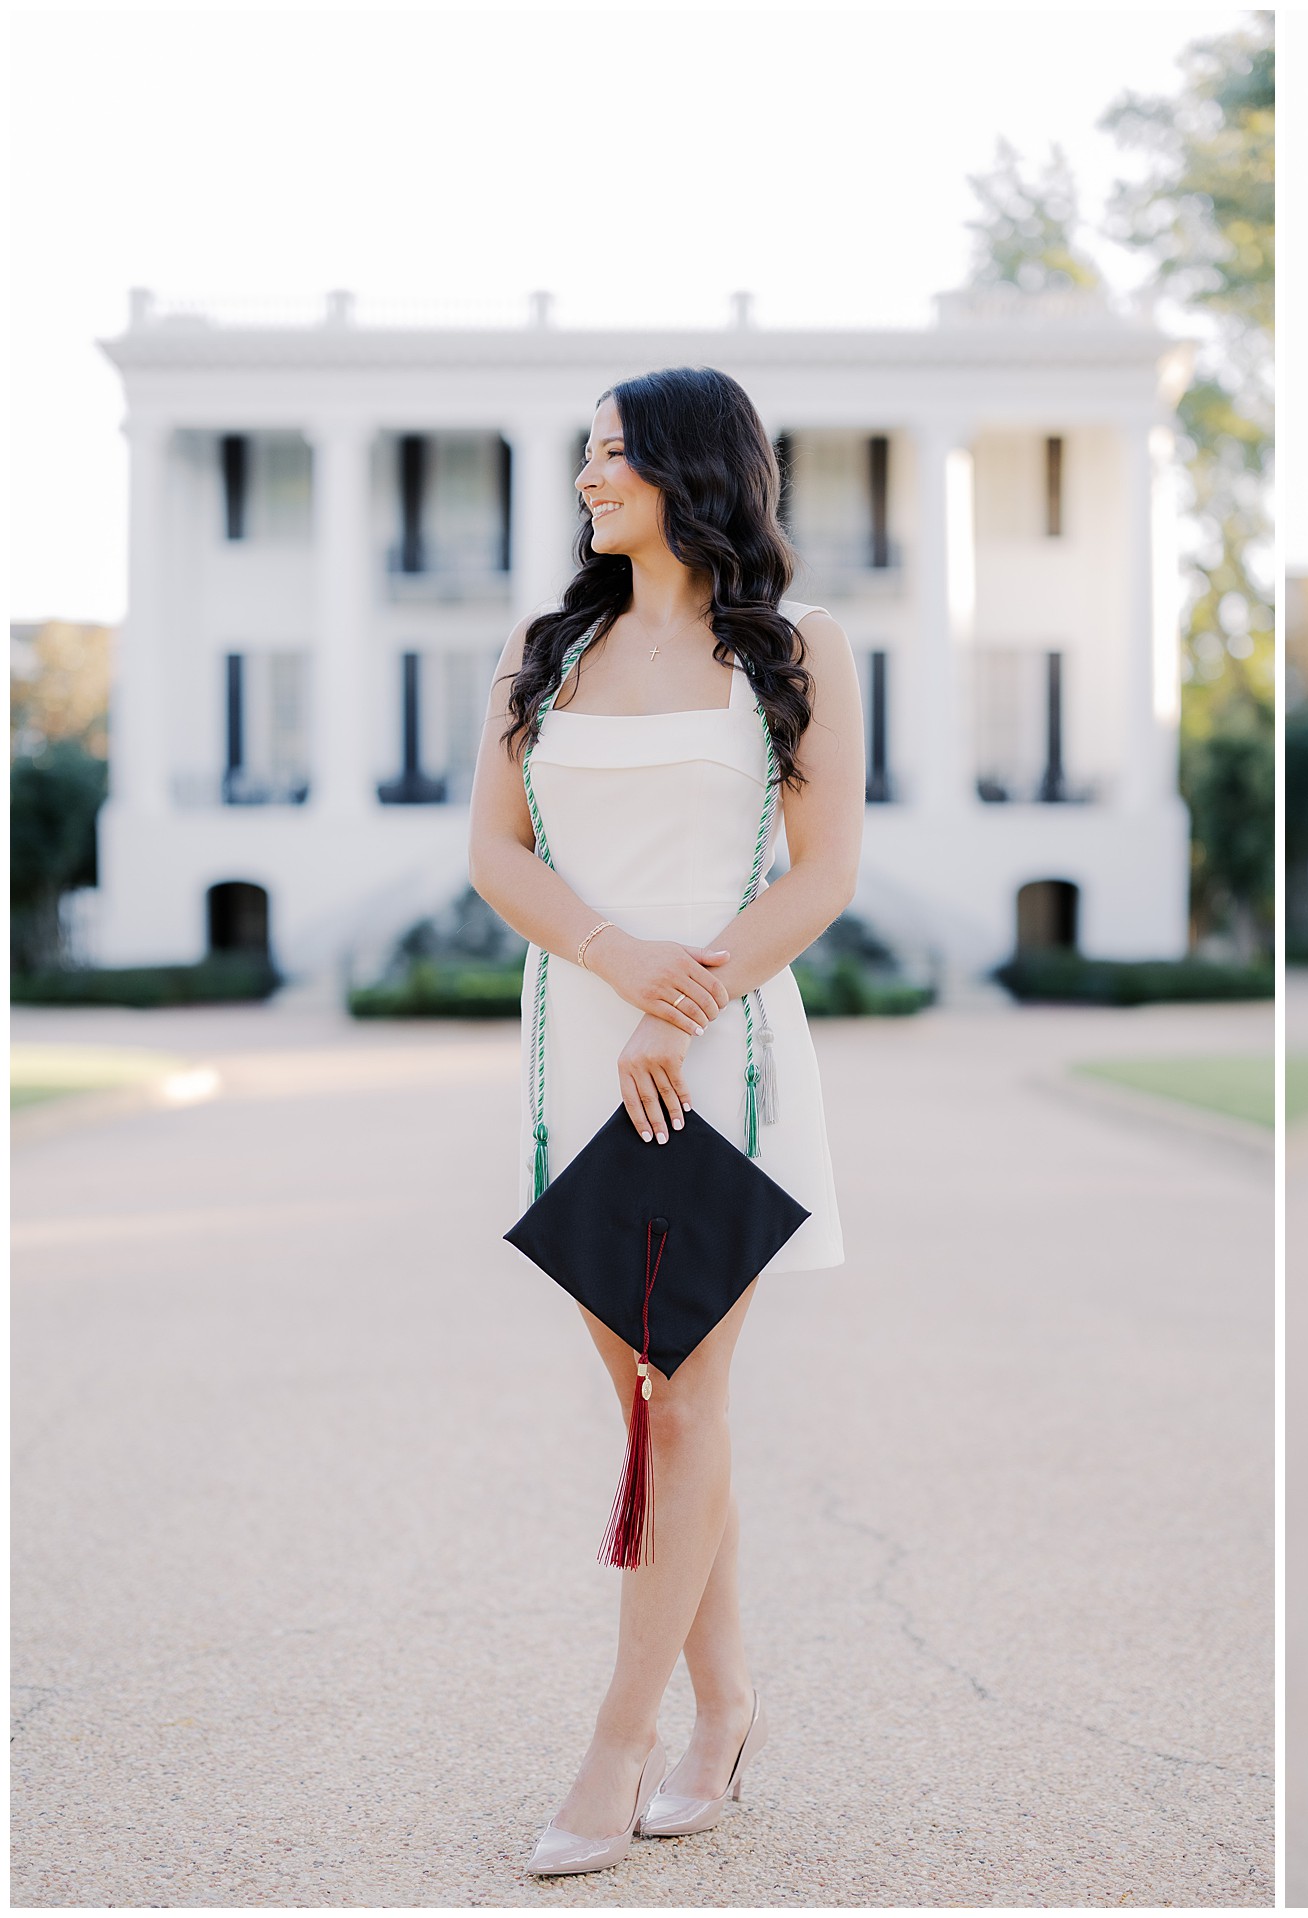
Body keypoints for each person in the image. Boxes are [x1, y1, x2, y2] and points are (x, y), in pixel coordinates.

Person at [468, 365, 861, 1876]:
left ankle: (619, 1740)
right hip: (577, 1040)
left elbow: (819, 874)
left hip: (722, 1054)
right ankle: (730, 1706)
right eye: (586, 454)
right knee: (644, 1402)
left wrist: (677, 1001)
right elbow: (498, 853)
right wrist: (617, 965)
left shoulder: (797, 646)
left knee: (686, 1394)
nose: (589, 477)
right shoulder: (544, 648)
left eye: (616, 454)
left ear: (693, 469)